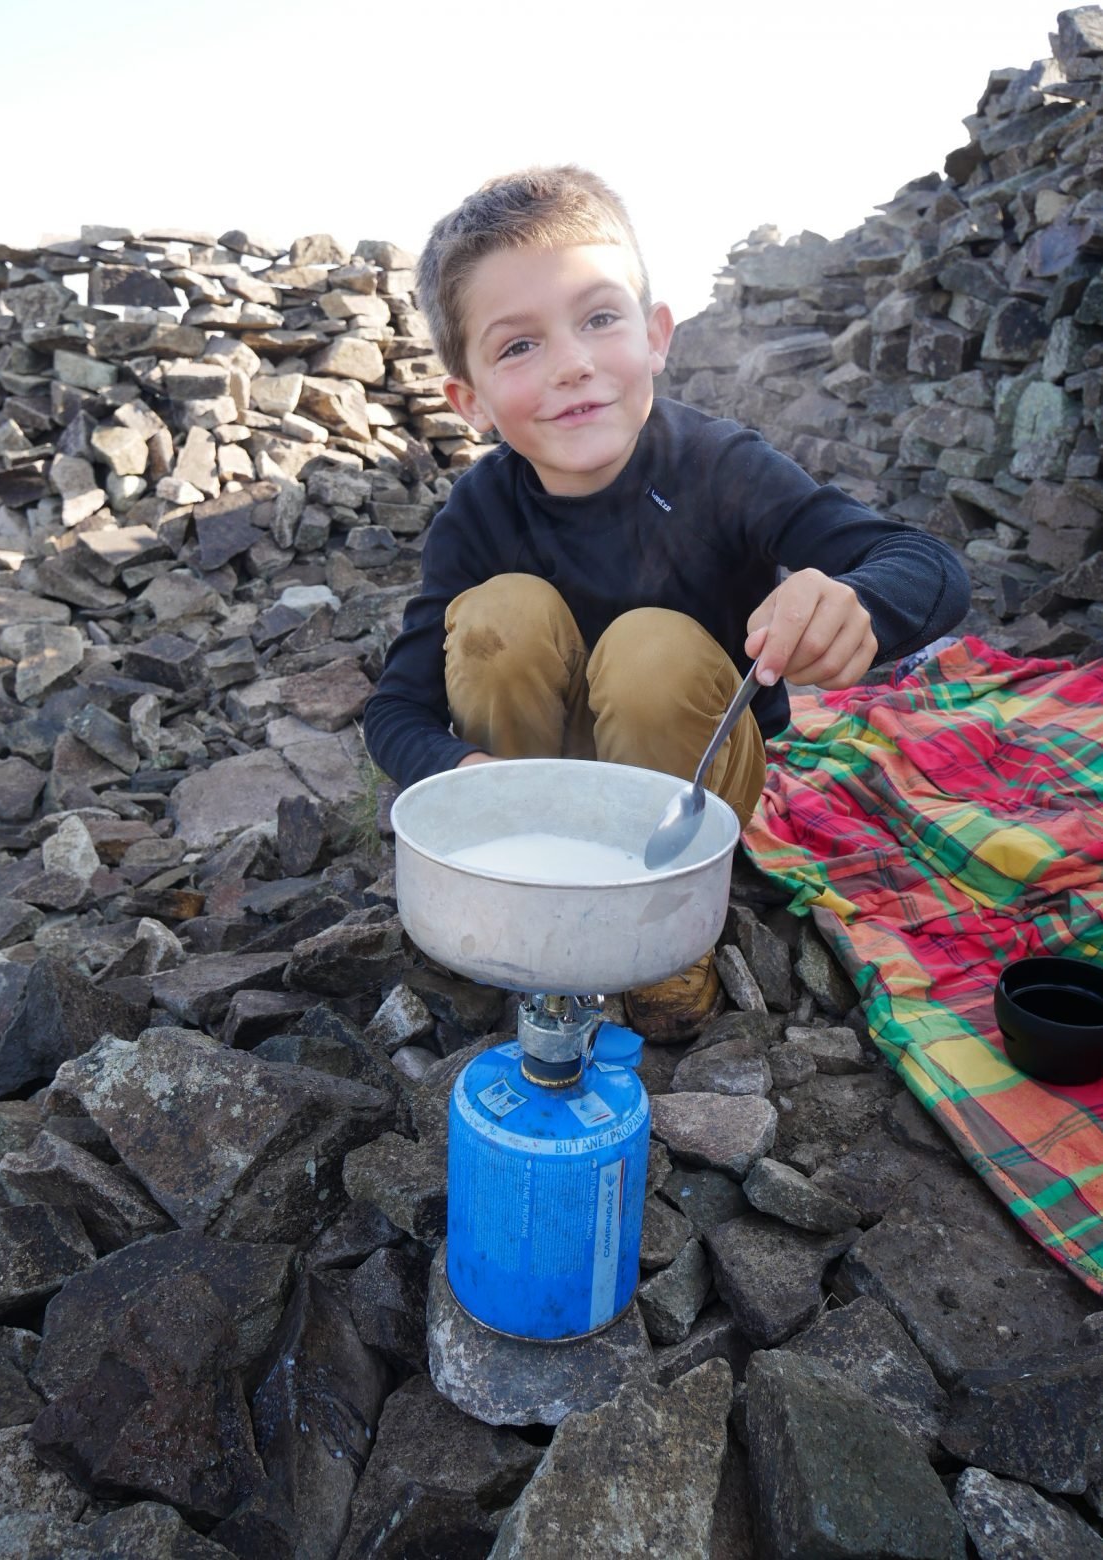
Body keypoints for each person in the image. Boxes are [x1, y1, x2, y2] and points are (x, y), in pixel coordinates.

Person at [363, 166, 970, 1042]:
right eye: (518, 346)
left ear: (655, 336)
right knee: (502, 618)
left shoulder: (720, 466)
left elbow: (922, 561)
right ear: (471, 401)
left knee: (651, 648)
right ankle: (529, 895)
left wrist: (857, 603)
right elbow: (397, 707)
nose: (573, 362)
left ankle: (666, 939)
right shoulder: (477, 512)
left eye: (599, 318)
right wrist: (466, 780)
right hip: (530, 793)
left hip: (688, 788)